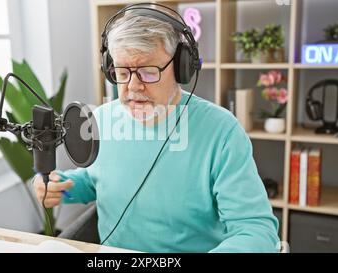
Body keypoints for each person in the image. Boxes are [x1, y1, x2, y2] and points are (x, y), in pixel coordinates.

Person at [33, 4, 280, 253]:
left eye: (148, 72)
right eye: (121, 72)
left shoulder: (222, 131)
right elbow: (95, 179)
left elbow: (256, 231)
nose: (133, 86)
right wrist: (61, 186)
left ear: (181, 68)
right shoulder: (102, 118)